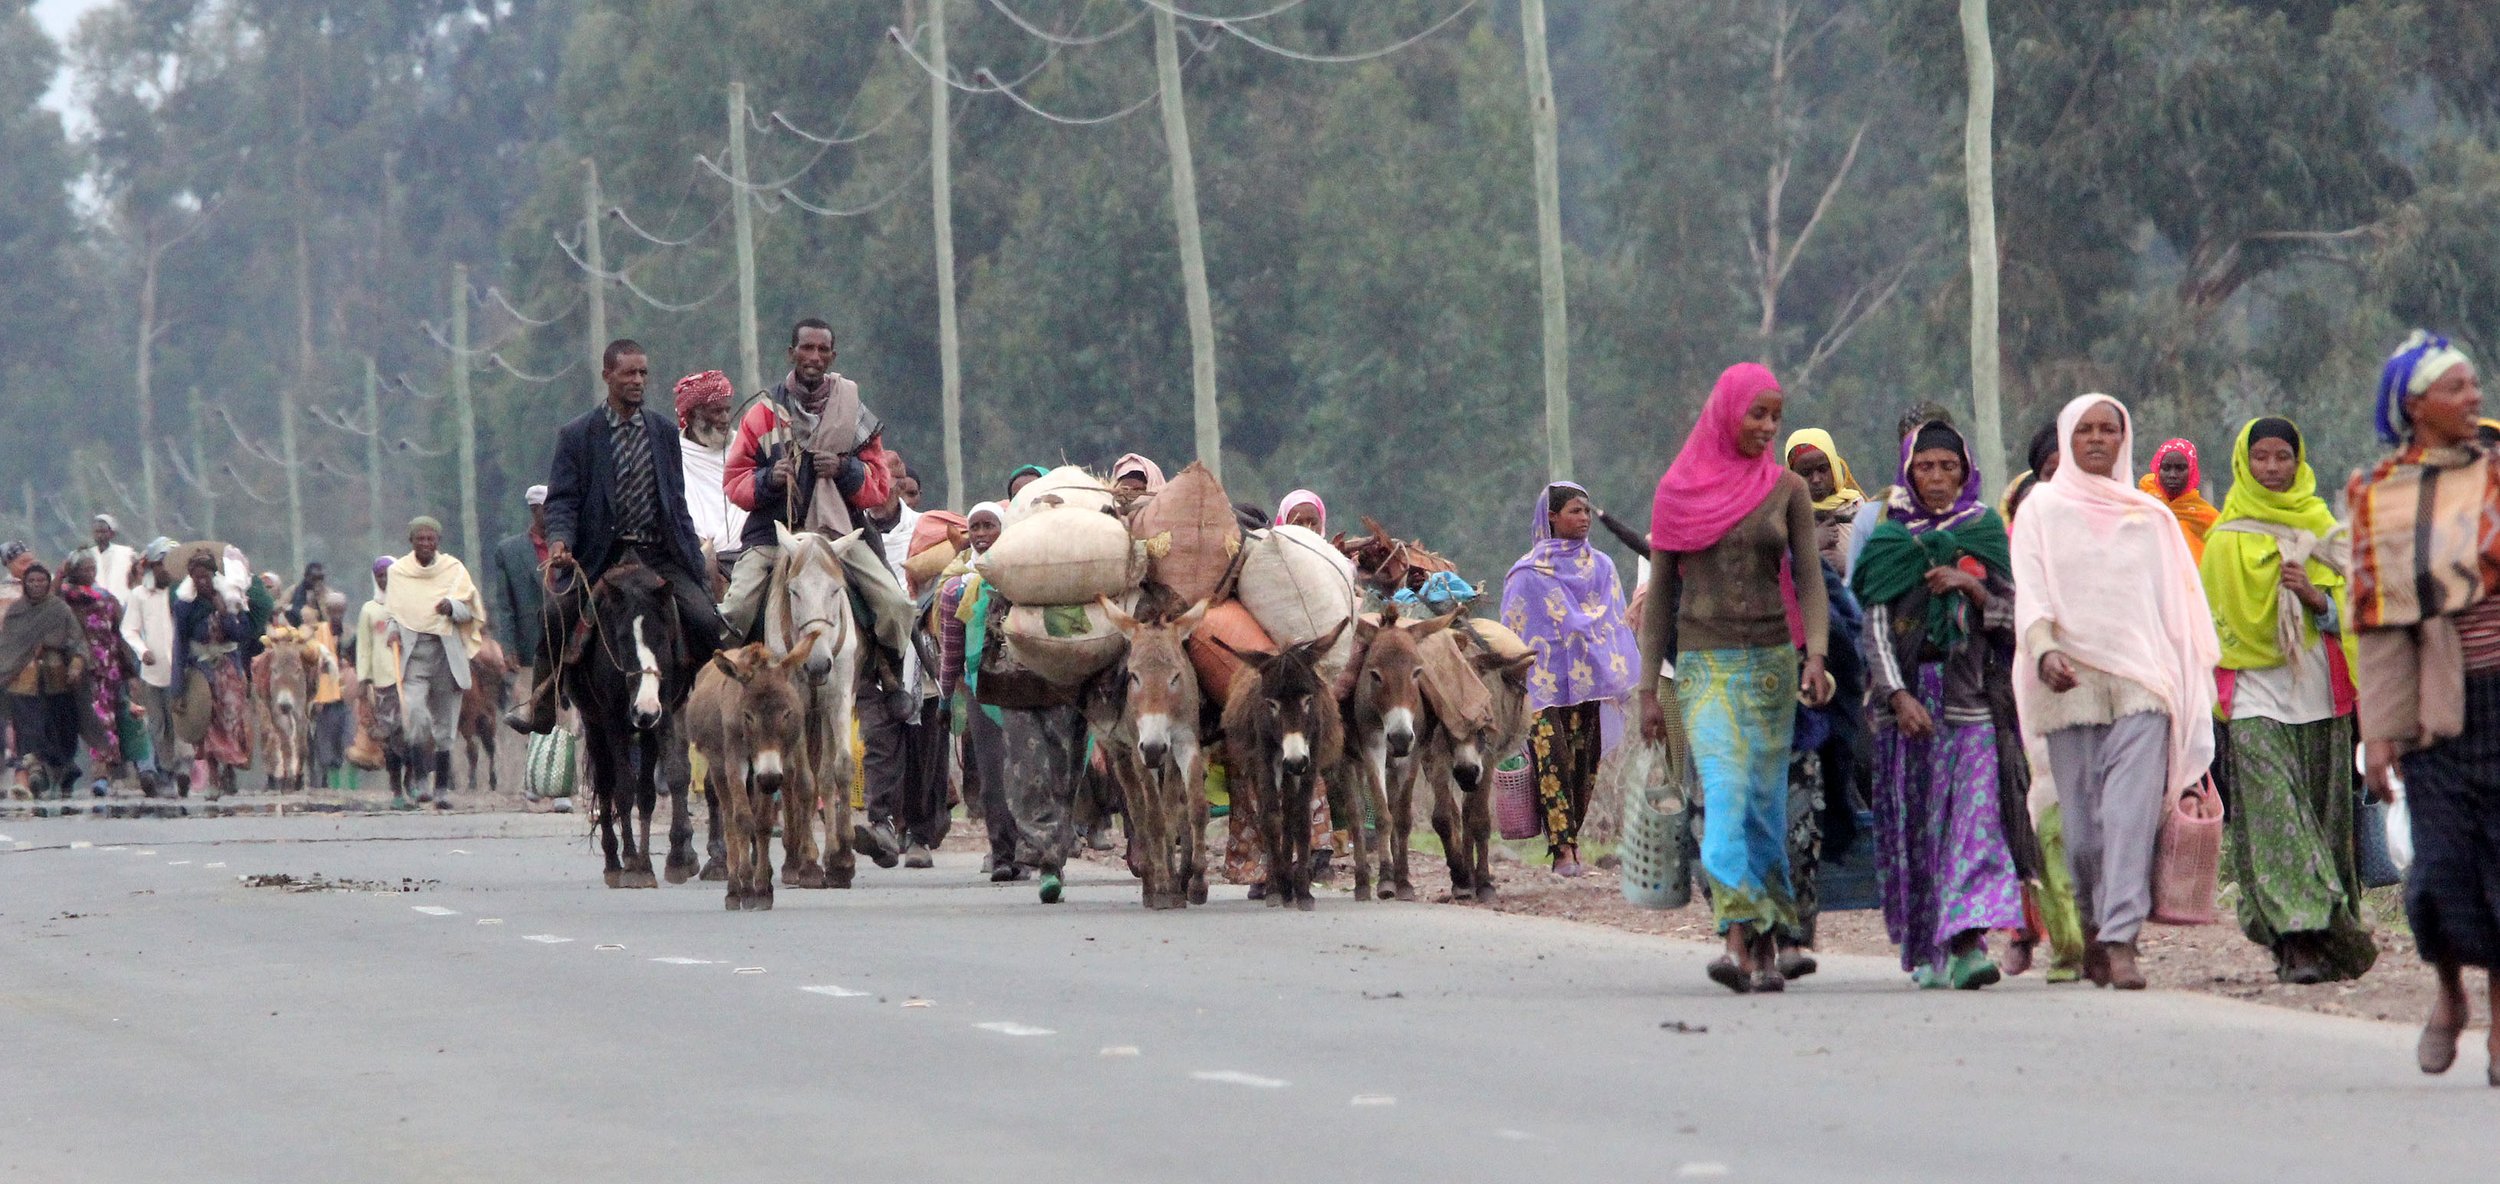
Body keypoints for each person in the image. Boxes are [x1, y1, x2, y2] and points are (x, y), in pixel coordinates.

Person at [2012, 393, 2219, 991]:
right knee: (2081, 829)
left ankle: (2123, 938)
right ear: (2067, 439)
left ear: (2124, 440)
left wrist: (2184, 683)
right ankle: (2089, 919)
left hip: (2143, 683)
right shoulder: (2041, 511)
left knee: (2130, 816)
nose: (2098, 439)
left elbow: (2177, 607)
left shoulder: (2150, 518)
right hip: (2067, 681)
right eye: (2086, 430)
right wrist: (2045, 649)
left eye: (2109, 429)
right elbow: (2031, 590)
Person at [1637, 362, 1833, 994]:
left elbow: (1809, 578)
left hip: (1774, 663)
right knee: (1723, 792)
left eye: (1775, 414)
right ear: (1727, 412)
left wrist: (1817, 657)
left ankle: (1770, 940)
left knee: (1764, 805)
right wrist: (1647, 691)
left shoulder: (1786, 490)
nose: (1768, 426)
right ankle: (1736, 931)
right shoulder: (1677, 493)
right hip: (1705, 665)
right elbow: (1660, 596)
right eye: (1757, 413)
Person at [2350, 330, 2500, 1085]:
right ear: (2415, 406)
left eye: (2475, 385)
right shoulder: (2384, 498)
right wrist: (2380, 735)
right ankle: (2448, 993)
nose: (2474, 398)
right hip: (2440, 709)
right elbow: (2381, 628)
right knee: (2440, 871)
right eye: (2457, 388)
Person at [1852, 420, 2027, 989]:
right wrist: (1897, 696)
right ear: (1907, 470)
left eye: (1947, 467)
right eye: (1924, 466)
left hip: (1972, 699)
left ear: (1966, 471)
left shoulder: (1984, 531)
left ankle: (1969, 943)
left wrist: (1973, 589)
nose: (1936, 477)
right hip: (1910, 708)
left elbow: (2015, 613)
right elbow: (1873, 625)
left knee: (1975, 821)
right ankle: (1930, 947)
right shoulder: (1887, 542)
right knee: (1921, 826)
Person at [2201, 416, 2374, 984]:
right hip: (2253, 694)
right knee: (2277, 819)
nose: (2272, 469)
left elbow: (2360, 608)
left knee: (2322, 823)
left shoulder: (2324, 530)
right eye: (2262, 458)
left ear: (2299, 462)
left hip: (2321, 694)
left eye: (2283, 458)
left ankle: (2322, 940)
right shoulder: (2224, 540)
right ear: (2242, 463)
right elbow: (2210, 624)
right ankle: (2297, 937)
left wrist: (2316, 599)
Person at [506, 339, 727, 733]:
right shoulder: (577, 435)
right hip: (599, 557)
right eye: (629, 373)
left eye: (643, 373)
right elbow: (562, 501)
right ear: (607, 375)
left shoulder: (662, 431)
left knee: (706, 621)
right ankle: (540, 703)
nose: (638, 380)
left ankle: (702, 707)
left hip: (659, 554)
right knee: (556, 614)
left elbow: (675, 500)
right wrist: (559, 541)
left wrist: (691, 557)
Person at [1501, 481, 1636, 877]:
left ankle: (1572, 842)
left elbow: (1615, 624)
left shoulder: (1604, 568)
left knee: (1584, 762)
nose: (1584, 519)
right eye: (1575, 511)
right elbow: (1515, 631)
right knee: (1553, 759)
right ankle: (1562, 850)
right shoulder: (1527, 573)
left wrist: (1614, 675)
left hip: (1590, 682)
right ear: (1552, 517)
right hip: (1542, 688)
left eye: (1587, 512)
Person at [720, 320, 881, 645]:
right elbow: (734, 482)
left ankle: (891, 682)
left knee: (895, 605)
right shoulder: (761, 415)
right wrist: (769, 480)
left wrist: (843, 469)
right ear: (792, 353)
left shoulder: (854, 413)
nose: (814, 356)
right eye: (807, 348)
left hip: (839, 536)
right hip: (772, 536)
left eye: (823, 350)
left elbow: (879, 486)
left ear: (832, 357)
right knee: (735, 608)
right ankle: (730, 680)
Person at [941, 502, 1023, 881]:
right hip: (981, 687)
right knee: (992, 773)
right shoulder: (957, 587)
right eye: (975, 527)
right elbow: (951, 650)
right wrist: (945, 696)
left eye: (990, 525)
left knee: (1027, 769)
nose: (981, 534)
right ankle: (1003, 852)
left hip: (1025, 686)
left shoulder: (1026, 578)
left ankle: (1033, 848)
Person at [387, 517, 487, 808]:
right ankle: (420, 779)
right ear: (411, 542)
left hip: (446, 652)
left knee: (446, 725)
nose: (426, 544)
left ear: (438, 542)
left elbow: (471, 611)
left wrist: (451, 607)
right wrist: (393, 630)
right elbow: (394, 611)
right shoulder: (399, 572)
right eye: (420, 539)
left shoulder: (453, 571)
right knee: (415, 715)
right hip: (414, 654)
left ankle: (441, 788)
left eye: (431, 539)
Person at [171, 550, 256, 801]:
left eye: (206, 576)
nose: (202, 582)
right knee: (206, 724)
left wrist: (225, 614)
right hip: (201, 672)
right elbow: (180, 645)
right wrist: (177, 688)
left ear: (214, 575)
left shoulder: (231, 599)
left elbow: (242, 635)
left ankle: (229, 767)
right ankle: (214, 778)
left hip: (228, 670)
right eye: (197, 578)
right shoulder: (185, 606)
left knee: (230, 721)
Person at [2, 563, 89, 799]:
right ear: (25, 585)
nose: (37, 585)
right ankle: (36, 770)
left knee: (59, 729)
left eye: (41, 581)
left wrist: (76, 665)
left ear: (48, 583)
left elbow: (77, 642)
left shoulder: (59, 609)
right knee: (29, 729)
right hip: (23, 679)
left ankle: (63, 770)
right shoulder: (16, 611)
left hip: (56, 678)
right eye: (32, 581)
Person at [57, 552, 130, 796]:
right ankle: (65, 772)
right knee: (72, 721)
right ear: (74, 570)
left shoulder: (106, 598)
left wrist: (129, 669)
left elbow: (120, 633)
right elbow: (49, 599)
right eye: (84, 568)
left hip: (107, 667)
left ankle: (101, 773)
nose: (90, 572)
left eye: (93, 567)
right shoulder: (67, 596)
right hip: (76, 666)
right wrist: (60, 572)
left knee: (103, 718)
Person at [674, 369, 747, 588]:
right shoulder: (674, 455)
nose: (725, 419)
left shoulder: (745, 446)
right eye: (716, 412)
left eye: (727, 410)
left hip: (749, 554)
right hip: (693, 560)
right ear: (690, 416)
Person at [119, 538, 181, 796]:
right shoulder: (140, 595)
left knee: (180, 722)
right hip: (151, 671)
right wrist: (142, 651)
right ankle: (160, 771)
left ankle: (179, 769)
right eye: (163, 564)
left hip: (180, 670)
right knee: (156, 723)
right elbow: (128, 629)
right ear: (153, 566)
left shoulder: (185, 594)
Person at [351, 555, 411, 804]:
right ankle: (396, 788)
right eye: (379, 576)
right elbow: (364, 647)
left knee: (413, 734)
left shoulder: (409, 605)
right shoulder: (369, 610)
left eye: (388, 575)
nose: (384, 580)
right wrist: (364, 680)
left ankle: (413, 782)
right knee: (391, 738)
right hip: (383, 683)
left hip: (409, 678)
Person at [489, 486, 550, 680]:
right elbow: (505, 606)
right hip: (531, 647)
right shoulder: (509, 552)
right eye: (548, 508)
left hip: (573, 647)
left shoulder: (575, 547)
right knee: (532, 704)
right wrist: (508, 647)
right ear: (534, 509)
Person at [1785, 428, 1865, 571]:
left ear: (1834, 466)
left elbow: (1881, 567)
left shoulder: (1858, 510)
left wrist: (1848, 565)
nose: (1816, 479)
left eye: (1822, 469)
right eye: (1805, 473)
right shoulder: (1783, 515)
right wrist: (1812, 543)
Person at [2141, 437, 2219, 562]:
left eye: (2180, 468)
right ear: (2157, 469)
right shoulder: (2141, 505)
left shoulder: (2207, 518)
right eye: (2166, 468)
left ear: (2192, 470)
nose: (2172, 475)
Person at [311, 590, 353, 789]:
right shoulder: (318, 633)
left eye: (340, 611)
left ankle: (342, 785)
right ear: (326, 611)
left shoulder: (350, 634)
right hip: (324, 697)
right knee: (323, 741)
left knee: (344, 741)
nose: (336, 615)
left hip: (345, 696)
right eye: (332, 611)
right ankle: (323, 783)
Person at [90, 515, 137, 597]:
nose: (100, 535)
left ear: (112, 534)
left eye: (103, 532)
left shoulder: (126, 553)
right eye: (97, 532)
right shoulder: (88, 554)